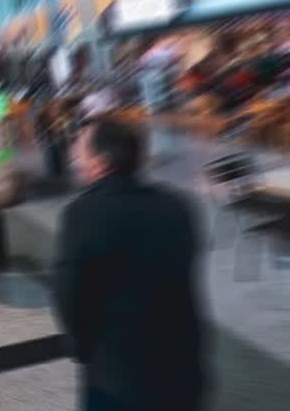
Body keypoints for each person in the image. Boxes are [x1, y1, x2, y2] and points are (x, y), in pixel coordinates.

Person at [53, 117, 207, 411]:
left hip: (117, 378)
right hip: (182, 368)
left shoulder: (82, 214)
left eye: (80, 150)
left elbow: (68, 295)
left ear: (101, 162)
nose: (73, 157)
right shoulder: (177, 206)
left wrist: (83, 349)